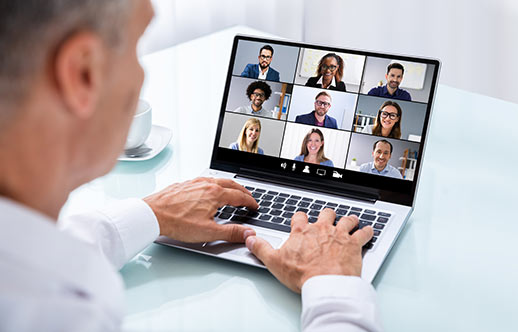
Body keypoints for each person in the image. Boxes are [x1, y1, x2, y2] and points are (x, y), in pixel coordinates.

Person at [0, 1, 378, 331]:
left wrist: (149, 214)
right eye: (137, 45)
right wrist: (334, 288)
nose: (141, 76)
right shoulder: (60, 314)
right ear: (83, 74)